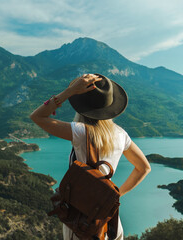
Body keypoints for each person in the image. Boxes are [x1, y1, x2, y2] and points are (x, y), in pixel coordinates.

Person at [29, 73, 151, 239]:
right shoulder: (121, 134)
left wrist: (69, 91)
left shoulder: (80, 131)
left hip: (82, 222)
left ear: (81, 106)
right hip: (108, 221)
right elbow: (144, 168)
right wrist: (115, 195)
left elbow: (37, 116)